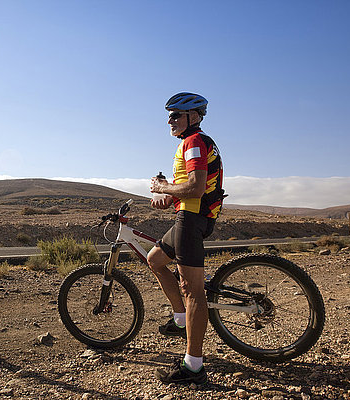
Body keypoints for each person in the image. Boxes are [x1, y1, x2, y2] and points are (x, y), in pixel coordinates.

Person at [147, 92, 224, 385]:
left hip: (191, 221)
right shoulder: (190, 144)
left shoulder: (193, 142)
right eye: (169, 115)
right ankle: (181, 320)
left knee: (192, 291)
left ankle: (193, 366)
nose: (170, 120)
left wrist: (164, 187)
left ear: (194, 117)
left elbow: (195, 187)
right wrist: (168, 197)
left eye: (176, 115)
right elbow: (190, 189)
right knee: (155, 260)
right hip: (189, 216)